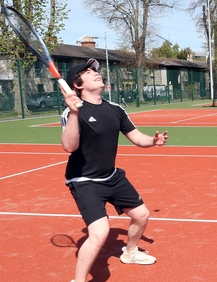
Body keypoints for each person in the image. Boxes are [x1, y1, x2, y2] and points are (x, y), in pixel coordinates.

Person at [60, 59, 168, 282]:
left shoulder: (115, 109)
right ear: (77, 85)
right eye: (88, 72)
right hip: (84, 181)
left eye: (95, 70)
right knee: (100, 234)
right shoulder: (72, 113)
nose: (95, 73)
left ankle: (130, 253)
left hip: (111, 176)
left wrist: (153, 141)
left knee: (141, 215)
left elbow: (136, 137)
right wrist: (74, 113)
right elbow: (69, 146)